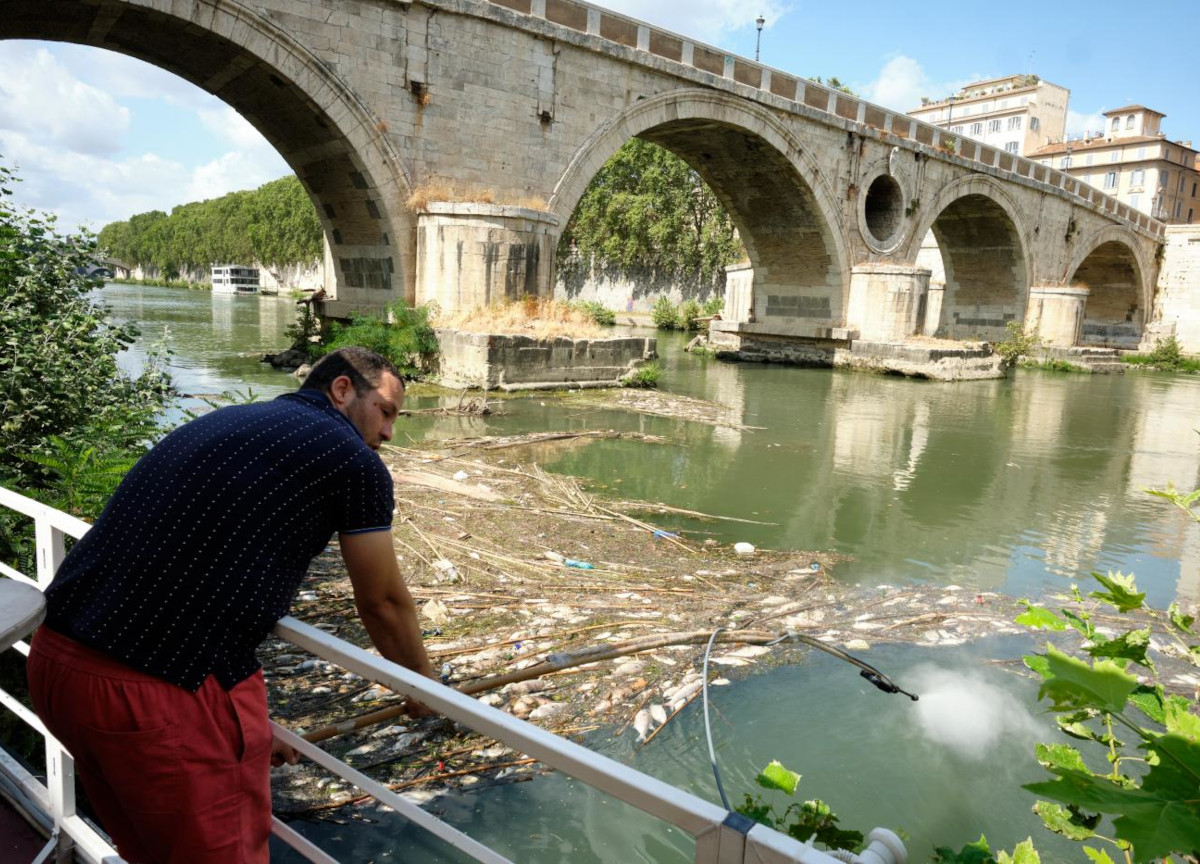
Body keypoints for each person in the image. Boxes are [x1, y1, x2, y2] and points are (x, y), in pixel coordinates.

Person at [27, 346, 435, 864]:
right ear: (342, 389)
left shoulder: (233, 421)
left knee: (149, 851)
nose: (389, 433)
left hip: (58, 664)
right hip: (152, 693)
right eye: (386, 412)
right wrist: (422, 685)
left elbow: (203, 569)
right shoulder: (354, 461)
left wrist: (250, 731)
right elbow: (382, 601)